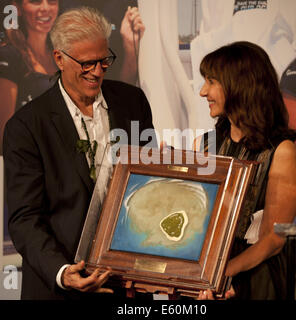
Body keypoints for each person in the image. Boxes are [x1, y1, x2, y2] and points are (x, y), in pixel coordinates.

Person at [3, 6, 156, 300]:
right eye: (86, 64)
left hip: (127, 288)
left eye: (103, 61)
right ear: (59, 58)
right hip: (60, 289)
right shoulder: (26, 126)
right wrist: (62, 271)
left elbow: (147, 185)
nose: (97, 71)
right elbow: (25, 218)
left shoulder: (132, 102)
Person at [195, 41, 296, 300]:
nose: (202, 91)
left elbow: (273, 241)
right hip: (207, 279)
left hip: (255, 281)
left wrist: (221, 274)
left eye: (211, 82)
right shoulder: (207, 143)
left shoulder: (282, 151)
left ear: (238, 85)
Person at [0, 0, 60, 155]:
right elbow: (4, 134)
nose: (45, 8)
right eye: (35, 1)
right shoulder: (10, 55)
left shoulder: (61, 55)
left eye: (52, 1)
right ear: (18, 8)